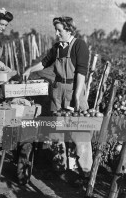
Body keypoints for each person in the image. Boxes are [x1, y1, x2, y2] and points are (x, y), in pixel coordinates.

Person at [23, 16, 92, 184]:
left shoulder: (79, 45)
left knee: (80, 134)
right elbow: (45, 63)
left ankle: (85, 172)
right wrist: (29, 69)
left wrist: (76, 96)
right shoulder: (58, 47)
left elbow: (82, 72)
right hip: (58, 92)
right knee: (57, 133)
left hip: (73, 90)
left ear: (68, 30)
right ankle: (60, 169)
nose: (56, 33)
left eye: (59, 30)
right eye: (56, 30)